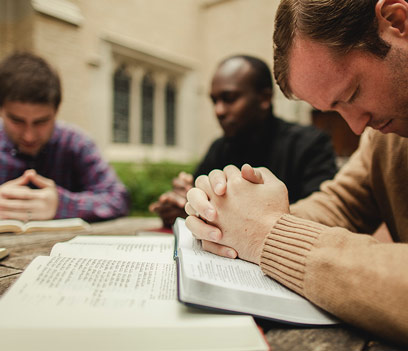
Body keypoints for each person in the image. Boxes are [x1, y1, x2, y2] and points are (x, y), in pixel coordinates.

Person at [184, 0, 408, 346]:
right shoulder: (384, 140)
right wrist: (233, 218)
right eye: (334, 109)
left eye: (352, 93)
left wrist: (267, 233)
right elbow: (340, 205)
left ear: (398, 21)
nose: (356, 126)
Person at [150, 55, 337, 228]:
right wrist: (183, 203)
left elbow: (323, 213)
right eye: (214, 101)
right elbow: (198, 204)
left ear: (264, 98)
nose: (219, 111)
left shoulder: (310, 144)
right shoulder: (219, 148)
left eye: (229, 98)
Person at [0, 52, 130, 222]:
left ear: (56, 111)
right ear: (1, 110)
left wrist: (62, 205)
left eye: (41, 122)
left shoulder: (76, 143)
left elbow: (118, 199)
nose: (29, 136)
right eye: (17, 121)